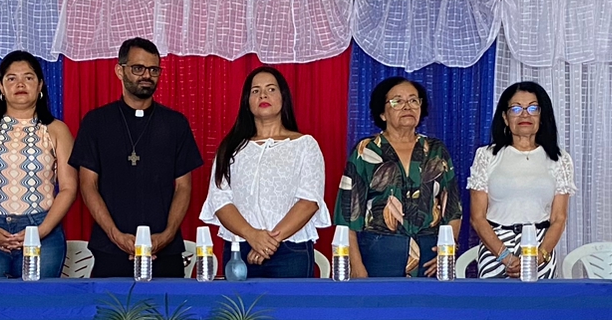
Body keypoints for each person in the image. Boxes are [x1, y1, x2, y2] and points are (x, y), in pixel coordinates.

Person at [71, 38, 201, 278]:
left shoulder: (175, 123)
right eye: (138, 68)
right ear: (120, 71)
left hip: (165, 250)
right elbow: (88, 185)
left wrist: (166, 236)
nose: (147, 76)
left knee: (167, 305)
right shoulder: (96, 122)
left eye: (154, 70)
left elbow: (184, 187)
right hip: (110, 248)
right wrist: (116, 235)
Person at [200, 66, 330, 278]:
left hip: (290, 250)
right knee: (238, 302)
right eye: (255, 91)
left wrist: (269, 242)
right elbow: (219, 200)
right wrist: (252, 235)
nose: (263, 95)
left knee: (290, 302)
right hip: (239, 248)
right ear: (247, 101)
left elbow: (309, 201)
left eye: (271, 89)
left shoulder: (305, 145)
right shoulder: (231, 147)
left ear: (283, 97)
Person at [0, 51, 75, 278]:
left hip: (42, 230)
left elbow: (69, 188)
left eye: (28, 77)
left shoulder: (56, 130)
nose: (20, 84)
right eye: (12, 78)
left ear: (40, 85)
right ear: (1, 86)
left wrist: (41, 231)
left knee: (38, 298)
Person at [332, 77, 461, 277]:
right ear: (382, 113)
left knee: (428, 299)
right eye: (397, 101)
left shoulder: (436, 150)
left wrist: (446, 252)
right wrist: (356, 267)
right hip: (379, 253)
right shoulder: (366, 151)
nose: (407, 106)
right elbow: (347, 215)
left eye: (413, 100)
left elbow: (452, 208)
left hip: (430, 255)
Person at [468, 81, 575, 278]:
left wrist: (539, 256)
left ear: (542, 116)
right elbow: (477, 217)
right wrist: (506, 257)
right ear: (505, 117)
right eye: (516, 109)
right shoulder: (486, 156)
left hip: (541, 249)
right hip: (496, 250)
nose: (525, 115)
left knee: (540, 299)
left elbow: (559, 218)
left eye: (532, 108)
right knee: (495, 299)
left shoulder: (560, 159)